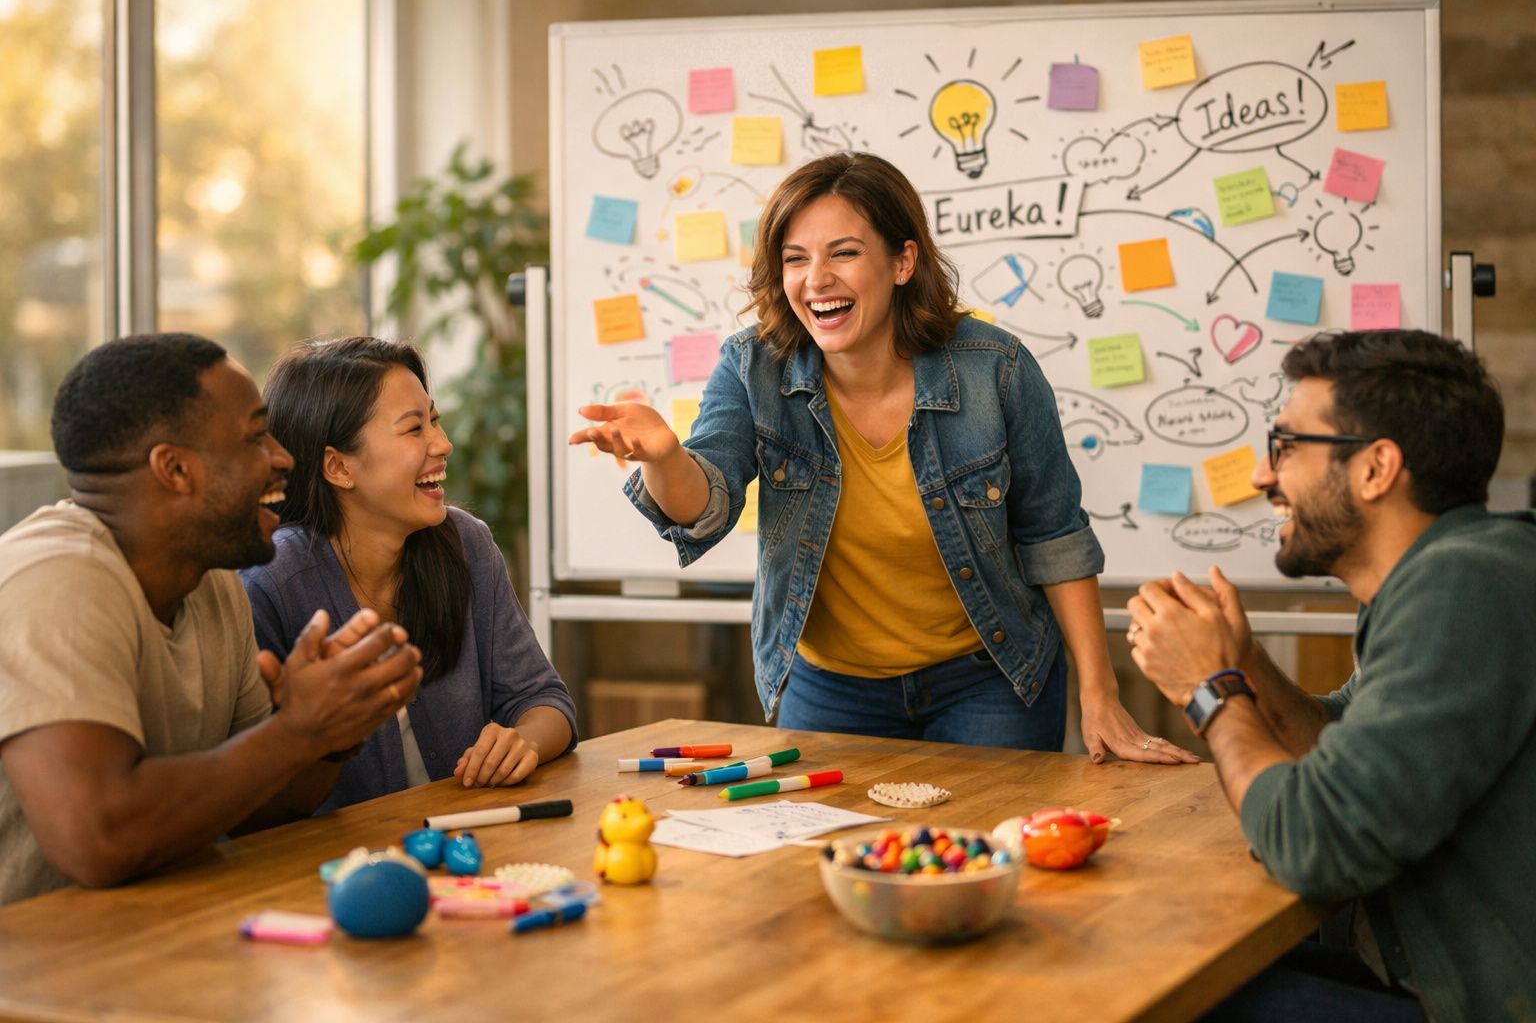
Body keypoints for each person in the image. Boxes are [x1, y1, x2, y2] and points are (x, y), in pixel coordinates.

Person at [572, 151, 1192, 763]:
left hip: (989, 677)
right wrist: (664, 458)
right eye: (795, 258)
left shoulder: (995, 369)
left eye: (843, 253)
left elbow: (1054, 537)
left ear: (903, 262)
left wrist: (1100, 694)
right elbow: (704, 504)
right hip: (830, 686)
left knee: (990, 832)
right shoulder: (751, 366)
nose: (816, 279)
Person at [1125, 329, 1536, 1022]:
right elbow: (1337, 745)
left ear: (1376, 468)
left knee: (1152, 997)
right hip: (1422, 970)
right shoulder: (1453, 572)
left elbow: (1311, 844)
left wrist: (1210, 689)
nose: (1262, 477)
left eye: (1286, 447)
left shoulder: (1462, 588)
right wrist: (1244, 663)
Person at [0, 333, 423, 906]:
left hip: (154, 933)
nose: (284, 458)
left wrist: (330, 735)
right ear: (175, 468)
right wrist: (297, 731)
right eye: (255, 437)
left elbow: (258, 810)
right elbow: (99, 839)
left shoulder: (213, 582)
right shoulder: (57, 580)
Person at [241, 337, 575, 811]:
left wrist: (525, 740)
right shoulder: (271, 582)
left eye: (434, 420)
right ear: (338, 466)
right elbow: (257, 792)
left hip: (467, 838)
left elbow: (543, 698)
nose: (443, 443)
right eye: (414, 429)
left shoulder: (466, 544)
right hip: (339, 857)